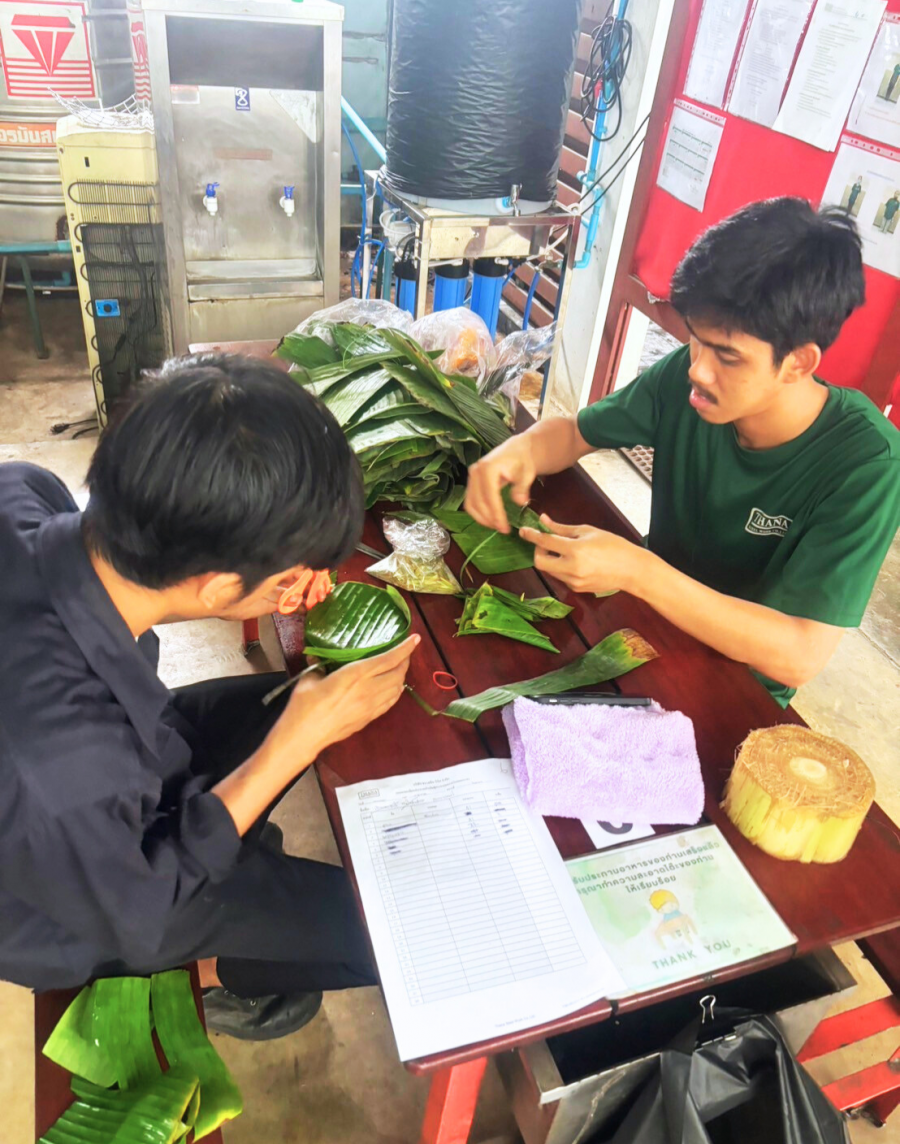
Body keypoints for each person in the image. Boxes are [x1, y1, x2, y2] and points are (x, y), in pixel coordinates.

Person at [0, 355, 418, 1040]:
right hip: (98, 898)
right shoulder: (65, 769)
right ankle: (244, 977)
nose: (302, 591)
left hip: (126, 760)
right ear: (221, 587)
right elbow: (144, 912)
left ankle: (247, 854)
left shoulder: (21, 492)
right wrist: (289, 749)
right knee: (391, 929)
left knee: (308, 702)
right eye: (291, 581)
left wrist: (280, 590)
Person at [466, 199, 900, 707]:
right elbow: (574, 434)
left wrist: (637, 570)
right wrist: (517, 451)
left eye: (727, 356)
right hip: (644, 623)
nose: (698, 369)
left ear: (799, 363)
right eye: (695, 339)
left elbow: (798, 654)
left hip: (735, 682)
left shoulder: (866, 463)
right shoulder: (686, 379)